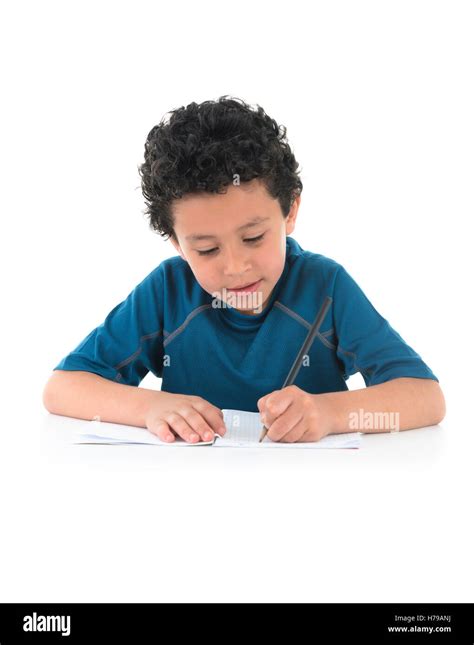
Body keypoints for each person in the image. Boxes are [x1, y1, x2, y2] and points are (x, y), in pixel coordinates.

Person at [43, 96, 446, 443]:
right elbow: (62, 388)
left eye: (253, 238)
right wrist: (152, 406)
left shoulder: (325, 287)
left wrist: (330, 414)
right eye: (206, 248)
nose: (235, 268)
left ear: (290, 211)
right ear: (176, 242)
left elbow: (425, 397)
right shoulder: (168, 291)